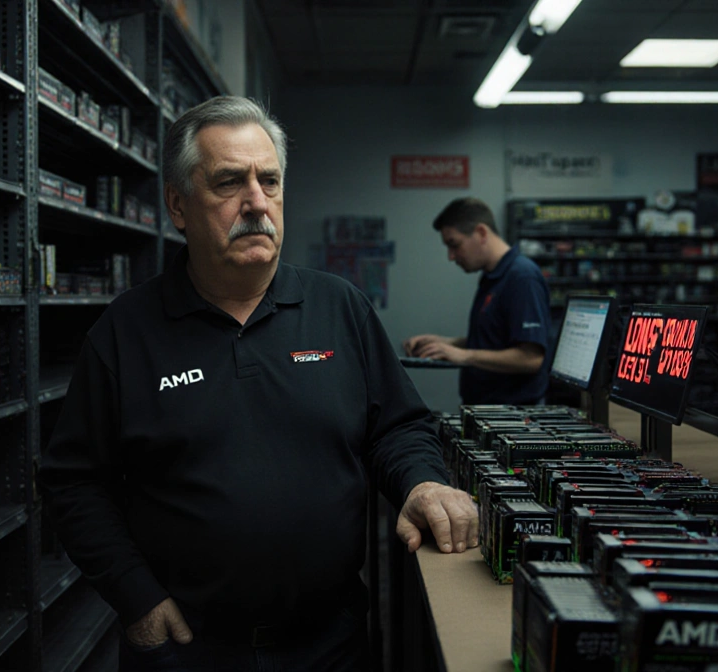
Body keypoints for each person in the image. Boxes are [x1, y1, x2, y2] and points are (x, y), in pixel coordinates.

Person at [39, 96, 477, 672]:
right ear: (177, 204)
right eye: (228, 182)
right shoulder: (124, 334)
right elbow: (74, 484)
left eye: (269, 181)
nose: (256, 202)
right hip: (186, 650)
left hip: (332, 644)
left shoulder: (338, 308)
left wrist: (422, 483)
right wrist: (136, 597)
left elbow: (397, 427)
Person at [404, 198, 552, 405]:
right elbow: (496, 340)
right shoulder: (492, 278)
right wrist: (445, 344)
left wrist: (464, 355)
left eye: (454, 245)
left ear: (481, 233)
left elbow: (531, 359)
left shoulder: (522, 277)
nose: (451, 256)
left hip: (513, 415)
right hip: (486, 410)